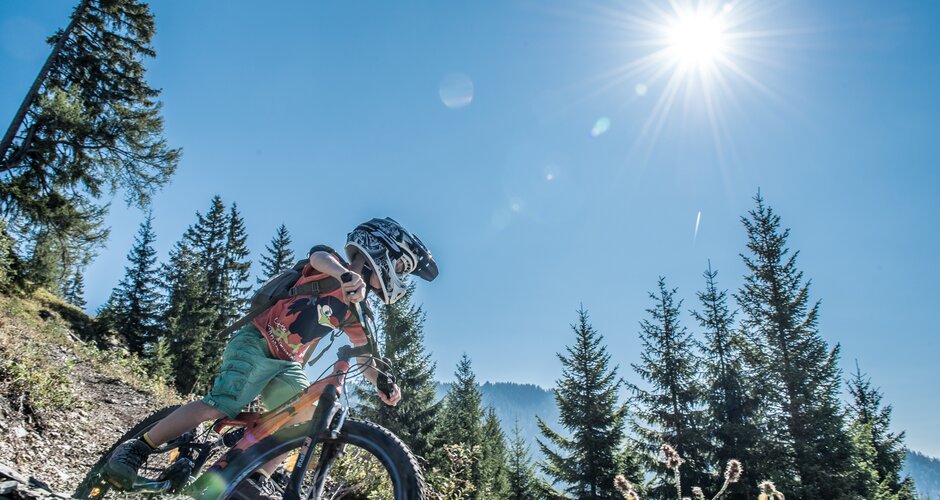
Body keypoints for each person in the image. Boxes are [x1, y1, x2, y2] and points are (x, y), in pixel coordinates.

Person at [102, 217, 438, 497]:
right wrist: (344, 275)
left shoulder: (356, 311)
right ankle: (138, 447)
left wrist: (381, 381)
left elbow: (364, 357)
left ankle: (252, 478)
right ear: (379, 251)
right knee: (224, 402)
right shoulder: (329, 268)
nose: (400, 276)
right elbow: (319, 256)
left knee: (302, 414)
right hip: (256, 342)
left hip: (287, 363)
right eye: (400, 267)